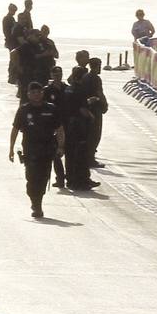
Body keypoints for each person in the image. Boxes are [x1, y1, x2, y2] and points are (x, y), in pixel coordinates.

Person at [9, 82, 64, 218]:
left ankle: (38, 204)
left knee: (43, 177)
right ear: (28, 94)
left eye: (39, 92)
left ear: (42, 93)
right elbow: (15, 129)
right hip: (30, 148)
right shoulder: (24, 110)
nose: (36, 95)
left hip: (47, 148)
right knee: (32, 178)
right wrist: (11, 148)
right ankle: (34, 201)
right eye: (33, 92)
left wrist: (61, 146)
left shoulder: (51, 109)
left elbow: (60, 129)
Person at [63, 65, 96, 190]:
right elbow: (82, 109)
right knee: (81, 153)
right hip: (78, 125)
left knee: (70, 154)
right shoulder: (80, 90)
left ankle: (70, 179)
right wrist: (91, 117)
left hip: (68, 124)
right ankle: (81, 180)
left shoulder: (68, 89)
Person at [45, 67, 70, 189]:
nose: (57, 76)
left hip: (67, 123)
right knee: (56, 153)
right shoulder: (47, 91)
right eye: (55, 74)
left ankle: (70, 176)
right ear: (51, 75)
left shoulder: (67, 89)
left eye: (59, 74)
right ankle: (60, 178)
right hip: (54, 125)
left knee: (69, 151)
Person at [85, 57, 107, 167]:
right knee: (95, 134)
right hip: (95, 108)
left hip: (87, 107)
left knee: (89, 133)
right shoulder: (96, 78)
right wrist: (104, 104)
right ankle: (90, 157)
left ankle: (88, 156)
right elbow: (99, 93)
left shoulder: (86, 77)